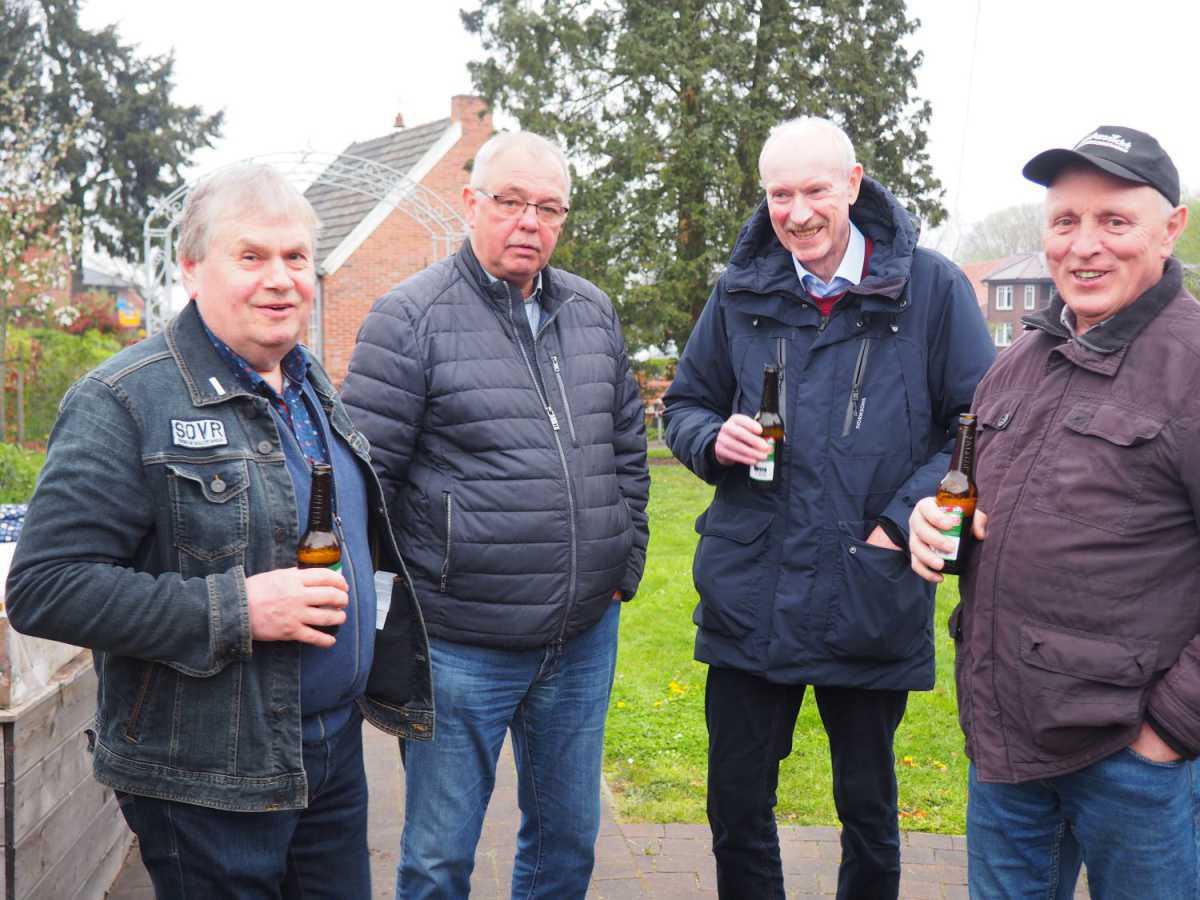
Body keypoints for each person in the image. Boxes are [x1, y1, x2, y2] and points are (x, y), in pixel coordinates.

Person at [5, 164, 432, 899]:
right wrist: (241, 608)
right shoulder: (124, 401)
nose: (280, 279)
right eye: (251, 256)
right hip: (211, 780)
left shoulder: (306, 383)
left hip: (331, 755)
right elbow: (47, 589)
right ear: (192, 268)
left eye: (295, 257)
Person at [663, 117, 994, 900]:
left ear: (853, 184)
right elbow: (684, 404)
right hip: (751, 592)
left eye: (815, 190)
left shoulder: (932, 288)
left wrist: (899, 520)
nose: (798, 212)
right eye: (780, 194)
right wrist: (713, 437)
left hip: (869, 589)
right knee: (735, 807)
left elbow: (977, 423)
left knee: (868, 812)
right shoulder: (740, 290)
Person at [340, 130, 649, 900]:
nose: (528, 222)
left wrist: (626, 560)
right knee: (439, 858)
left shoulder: (592, 311)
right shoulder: (408, 317)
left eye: (548, 208)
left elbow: (626, 449)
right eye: (510, 202)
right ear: (470, 203)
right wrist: (389, 618)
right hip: (460, 644)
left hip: (581, 637)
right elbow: (363, 487)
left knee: (566, 845)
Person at [908, 126, 1197, 897]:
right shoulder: (1016, 366)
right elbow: (983, 504)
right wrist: (933, 522)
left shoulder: (1192, 368)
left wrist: (1169, 731)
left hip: (1132, 760)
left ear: (1170, 228)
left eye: (1114, 221)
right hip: (1007, 747)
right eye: (1065, 221)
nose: (1084, 246)